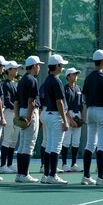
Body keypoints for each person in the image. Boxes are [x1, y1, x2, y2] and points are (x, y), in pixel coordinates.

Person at [81, 48, 103, 188]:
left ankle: (86, 176)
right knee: (102, 144)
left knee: (90, 144)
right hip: (102, 111)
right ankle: (101, 177)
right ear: (102, 61)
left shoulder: (89, 77)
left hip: (90, 110)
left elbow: (85, 95)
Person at [41, 53, 71, 184]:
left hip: (48, 114)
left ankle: (46, 174)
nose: (62, 67)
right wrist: (65, 121)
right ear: (57, 66)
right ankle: (52, 175)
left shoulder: (48, 79)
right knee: (56, 147)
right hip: (55, 115)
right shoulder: (57, 81)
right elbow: (59, 102)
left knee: (49, 146)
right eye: (61, 65)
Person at [15, 55, 42, 183]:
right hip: (29, 111)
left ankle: (20, 174)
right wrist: (30, 118)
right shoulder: (32, 80)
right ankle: (24, 174)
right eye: (38, 65)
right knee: (29, 144)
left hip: (21, 110)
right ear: (35, 65)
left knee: (22, 144)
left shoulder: (22, 80)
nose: (39, 68)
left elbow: (16, 101)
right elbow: (32, 101)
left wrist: (17, 116)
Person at [0, 61, 20, 173]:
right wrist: (18, 110)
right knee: (7, 139)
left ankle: (10, 164)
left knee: (13, 140)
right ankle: (2, 165)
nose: (17, 70)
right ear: (9, 70)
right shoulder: (6, 84)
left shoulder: (16, 84)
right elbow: (7, 101)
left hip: (15, 114)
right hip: (9, 113)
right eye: (14, 68)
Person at [61, 67, 83, 172]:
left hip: (77, 115)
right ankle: (64, 164)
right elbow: (64, 107)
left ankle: (74, 164)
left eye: (76, 74)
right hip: (68, 115)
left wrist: (82, 118)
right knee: (66, 141)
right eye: (74, 74)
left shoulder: (78, 88)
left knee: (76, 142)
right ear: (68, 76)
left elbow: (81, 104)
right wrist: (71, 120)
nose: (76, 76)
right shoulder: (64, 89)